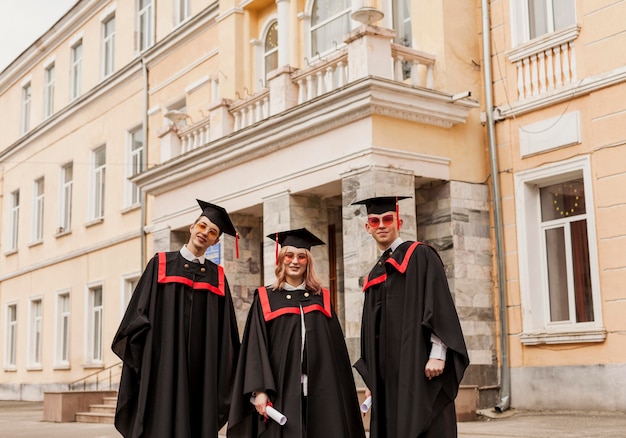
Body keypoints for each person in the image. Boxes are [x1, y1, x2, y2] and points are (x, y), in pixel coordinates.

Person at [112, 199, 241, 438]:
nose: (205, 233)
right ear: (192, 227)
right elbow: (137, 315)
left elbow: (228, 334)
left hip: (202, 373)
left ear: (215, 241)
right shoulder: (161, 265)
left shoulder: (217, 278)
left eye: (212, 232)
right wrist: (150, 353)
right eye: (202, 226)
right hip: (164, 369)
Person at [227, 228, 366, 438]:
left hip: (321, 389)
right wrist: (260, 390)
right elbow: (256, 347)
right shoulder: (266, 298)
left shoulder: (321, 299)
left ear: (308, 261)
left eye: (301, 256)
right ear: (281, 259)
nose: (295, 261)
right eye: (289, 256)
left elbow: (335, 352)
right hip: (281, 388)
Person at [352, 196, 470, 438]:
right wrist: (372, 380)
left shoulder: (420, 255)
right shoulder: (376, 272)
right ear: (368, 227)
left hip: (419, 365)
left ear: (399, 222)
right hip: (388, 375)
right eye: (375, 221)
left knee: (427, 424)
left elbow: (438, 304)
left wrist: (438, 353)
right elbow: (371, 330)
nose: (382, 225)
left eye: (387, 219)